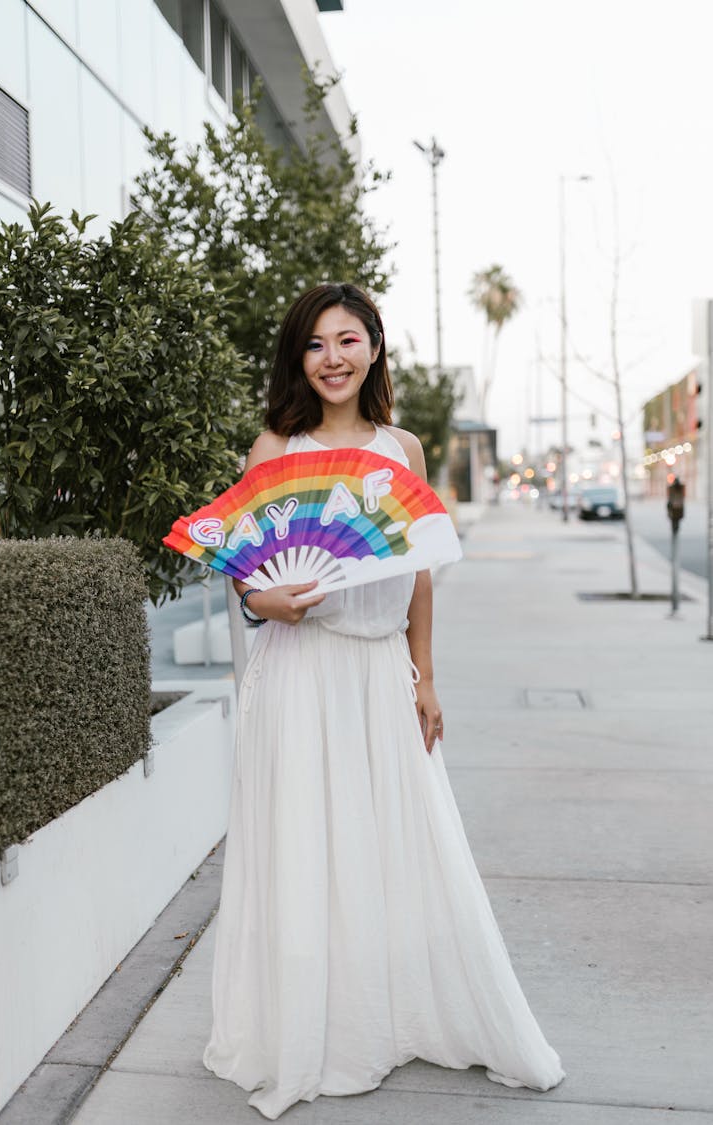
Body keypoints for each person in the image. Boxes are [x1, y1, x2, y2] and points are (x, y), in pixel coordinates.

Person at [203, 283, 564, 1119]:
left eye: (347, 340)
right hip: (295, 669)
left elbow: (420, 569)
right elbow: (244, 574)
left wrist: (424, 675)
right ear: (299, 359)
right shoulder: (274, 449)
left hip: (376, 672)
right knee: (303, 843)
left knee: (395, 838)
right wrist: (270, 603)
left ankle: (383, 1011)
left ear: (373, 348)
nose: (332, 358)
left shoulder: (401, 447)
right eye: (315, 344)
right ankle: (308, 1025)